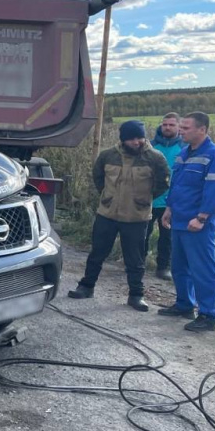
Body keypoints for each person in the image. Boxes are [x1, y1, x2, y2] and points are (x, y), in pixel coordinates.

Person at [68, 120, 169, 311]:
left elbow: (162, 184)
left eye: (140, 137)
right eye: (132, 138)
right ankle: (86, 287)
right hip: (107, 214)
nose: (137, 142)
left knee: (135, 259)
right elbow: (98, 178)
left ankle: (136, 295)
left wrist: (142, 200)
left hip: (136, 217)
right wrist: (108, 197)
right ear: (123, 139)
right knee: (97, 253)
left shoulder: (155, 158)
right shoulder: (107, 155)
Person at [159, 111, 215, 332]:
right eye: (181, 127)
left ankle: (208, 315)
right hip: (179, 219)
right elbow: (177, 185)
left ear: (202, 129)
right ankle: (184, 305)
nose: (181, 131)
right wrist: (169, 208)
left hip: (198, 224)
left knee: (203, 269)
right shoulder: (183, 154)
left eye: (186, 128)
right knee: (179, 267)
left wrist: (202, 217)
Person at [144, 112, 184, 280]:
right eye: (165, 124)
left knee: (167, 238)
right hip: (149, 198)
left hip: (171, 201)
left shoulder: (184, 149)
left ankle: (163, 267)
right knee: (142, 234)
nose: (167, 127)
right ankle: (137, 264)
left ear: (179, 127)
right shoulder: (150, 146)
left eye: (171, 125)